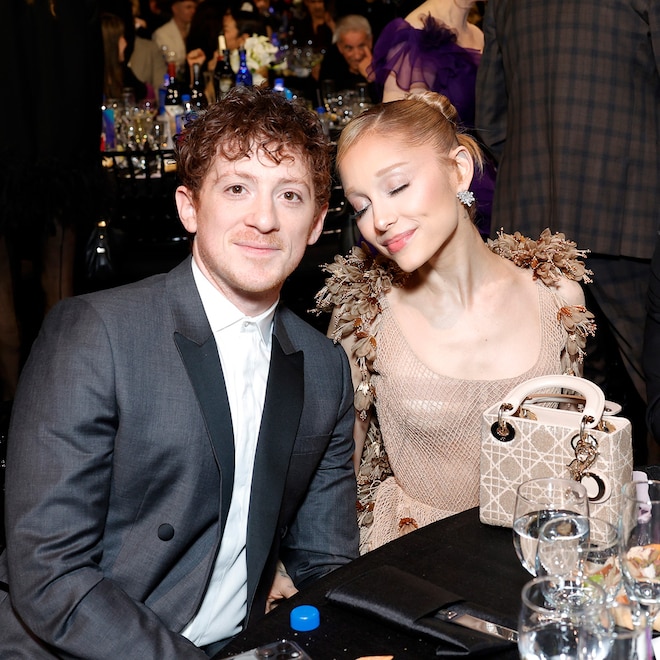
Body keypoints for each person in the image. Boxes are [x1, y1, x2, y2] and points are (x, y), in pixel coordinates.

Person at [0, 86, 359, 657]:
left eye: (289, 195)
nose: (263, 218)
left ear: (316, 223)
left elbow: (327, 564)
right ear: (189, 207)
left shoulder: (324, 368)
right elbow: (50, 571)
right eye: (237, 188)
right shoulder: (97, 333)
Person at [315, 92, 595, 553]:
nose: (380, 219)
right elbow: (336, 472)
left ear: (459, 169)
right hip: (412, 562)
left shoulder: (557, 297)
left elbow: (574, 456)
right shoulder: (364, 316)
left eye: (397, 187)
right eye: (361, 206)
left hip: (535, 554)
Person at [475, 0, 660, 462]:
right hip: (630, 207)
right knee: (653, 385)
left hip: (532, 223)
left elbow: (492, 122)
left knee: (545, 398)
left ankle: (558, 500)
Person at [370, 0, 494, 236]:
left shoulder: (479, 34)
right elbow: (394, 128)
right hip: (438, 183)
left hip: (480, 168)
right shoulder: (415, 34)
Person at [318, 14, 380, 103]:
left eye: (361, 46)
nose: (357, 56)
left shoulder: (384, 62)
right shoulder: (331, 63)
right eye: (349, 48)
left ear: (370, 41)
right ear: (339, 47)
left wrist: (372, 77)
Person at [152, 0, 198, 76]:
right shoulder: (162, 34)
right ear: (175, 9)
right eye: (188, 7)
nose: (193, 11)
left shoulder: (196, 30)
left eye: (195, 8)